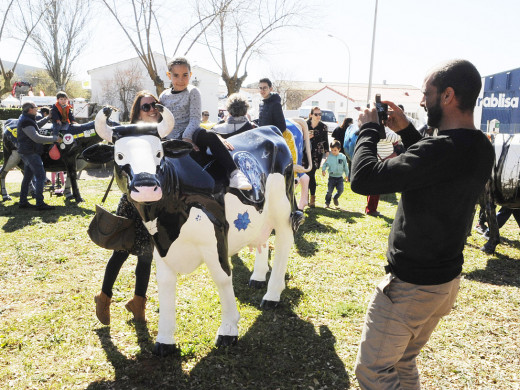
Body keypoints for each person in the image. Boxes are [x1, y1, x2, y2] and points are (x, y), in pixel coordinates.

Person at [350, 59, 495, 389]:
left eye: (425, 93)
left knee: (373, 370)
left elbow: (362, 179)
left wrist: (369, 128)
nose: (420, 101)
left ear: (447, 95)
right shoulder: (480, 147)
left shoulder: (440, 149)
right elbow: (437, 169)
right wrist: (406, 131)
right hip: (444, 284)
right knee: (402, 361)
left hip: (411, 288)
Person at [94, 91, 159, 325]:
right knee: (120, 252)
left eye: (154, 105)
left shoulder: (160, 133)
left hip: (154, 204)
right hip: (132, 202)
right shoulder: (126, 134)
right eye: (145, 106)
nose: (152, 109)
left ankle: (138, 304)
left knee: (146, 256)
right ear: (137, 111)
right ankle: (104, 298)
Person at [159, 57, 251, 190]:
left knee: (208, 135)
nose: (180, 80)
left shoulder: (193, 92)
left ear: (190, 75)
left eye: (185, 75)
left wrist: (186, 138)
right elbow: (164, 119)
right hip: (171, 135)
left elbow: (195, 118)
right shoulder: (164, 96)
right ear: (169, 75)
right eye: (176, 75)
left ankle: (234, 173)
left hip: (191, 132)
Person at [17, 101, 62, 210]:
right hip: (31, 153)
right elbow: (36, 138)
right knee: (41, 176)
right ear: (30, 109)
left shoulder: (27, 119)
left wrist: (48, 118)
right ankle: (40, 204)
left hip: (28, 152)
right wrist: (55, 139)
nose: (37, 109)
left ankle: (23, 202)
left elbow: (36, 126)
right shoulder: (26, 122)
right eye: (35, 107)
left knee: (27, 178)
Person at [365, 127, 402, 217]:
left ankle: (371, 208)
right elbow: (395, 137)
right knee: (375, 188)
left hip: (379, 161)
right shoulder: (382, 130)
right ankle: (371, 209)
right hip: (380, 162)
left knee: (374, 188)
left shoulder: (380, 129)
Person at [304, 106, 329, 208]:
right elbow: (298, 137)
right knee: (305, 176)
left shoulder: (323, 127)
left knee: (311, 174)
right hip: (305, 152)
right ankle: (305, 197)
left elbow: (325, 141)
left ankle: (312, 199)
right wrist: (305, 137)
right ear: (311, 115)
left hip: (316, 154)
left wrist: (327, 153)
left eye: (320, 114)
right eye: (316, 114)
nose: (318, 116)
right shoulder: (304, 124)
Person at [321, 140, 349, 208]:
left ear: (339, 149)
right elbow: (325, 164)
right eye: (332, 150)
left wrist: (347, 175)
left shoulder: (343, 157)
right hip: (332, 177)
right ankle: (327, 203)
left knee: (341, 190)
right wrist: (323, 170)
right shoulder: (330, 157)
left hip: (339, 178)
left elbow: (346, 166)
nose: (333, 152)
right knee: (329, 191)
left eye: (335, 150)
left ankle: (335, 197)